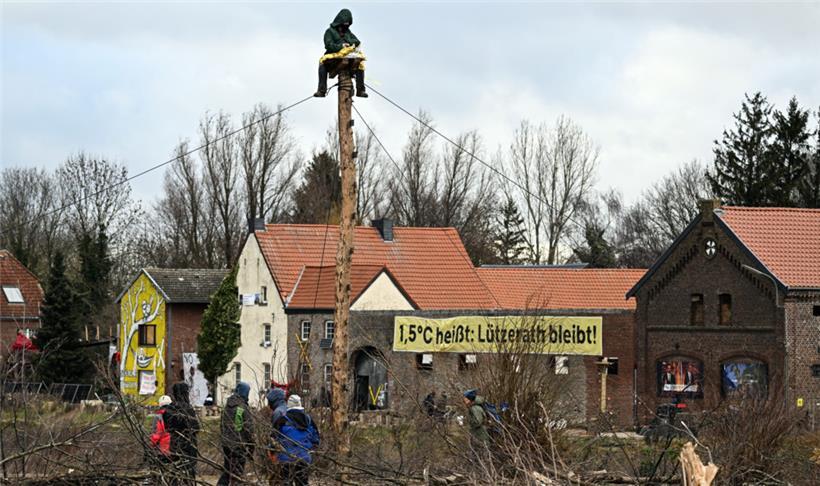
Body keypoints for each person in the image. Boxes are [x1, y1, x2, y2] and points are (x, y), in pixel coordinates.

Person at [314, 8, 367, 98]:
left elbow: (357, 41)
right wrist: (341, 46)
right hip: (332, 57)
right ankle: (321, 90)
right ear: (339, 23)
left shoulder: (348, 33)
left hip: (348, 56)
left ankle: (360, 90)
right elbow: (328, 45)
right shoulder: (330, 32)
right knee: (322, 63)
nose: (345, 27)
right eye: (343, 25)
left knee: (360, 63)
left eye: (347, 25)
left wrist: (349, 43)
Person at [273, 394, 320, 486]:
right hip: (304, 458)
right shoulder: (309, 420)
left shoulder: (282, 420)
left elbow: (273, 438)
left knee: (286, 482)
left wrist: (273, 453)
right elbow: (316, 440)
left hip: (286, 458)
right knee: (302, 483)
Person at [218, 382, 255, 486]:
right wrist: (251, 448)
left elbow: (222, 425)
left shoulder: (227, 407)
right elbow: (248, 429)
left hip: (226, 444)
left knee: (228, 471)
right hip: (239, 446)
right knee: (237, 474)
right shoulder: (242, 408)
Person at [165, 382, 200, 484]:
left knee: (175, 470)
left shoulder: (170, 408)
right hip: (188, 444)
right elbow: (196, 427)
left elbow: (168, 427)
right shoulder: (188, 408)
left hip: (175, 443)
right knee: (189, 471)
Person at [149, 395, 172, 462]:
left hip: (162, 449)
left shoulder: (158, 417)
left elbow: (156, 434)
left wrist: (151, 445)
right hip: (174, 448)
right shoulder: (176, 415)